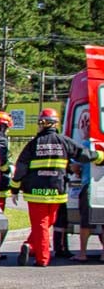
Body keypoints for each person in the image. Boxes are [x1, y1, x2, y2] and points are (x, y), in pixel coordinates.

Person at [11, 108, 104, 267]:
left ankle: (41, 257)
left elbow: (21, 167)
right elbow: (82, 154)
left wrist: (14, 188)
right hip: (56, 191)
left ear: (41, 124)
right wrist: (100, 156)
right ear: (56, 123)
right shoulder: (64, 141)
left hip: (36, 192)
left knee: (41, 223)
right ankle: (33, 248)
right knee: (49, 221)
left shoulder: (33, 144)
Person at [72, 150, 104, 262]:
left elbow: (75, 167)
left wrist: (77, 170)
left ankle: (82, 253)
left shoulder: (87, 145)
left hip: (90, 185)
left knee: (85, 222)